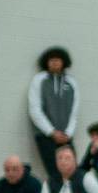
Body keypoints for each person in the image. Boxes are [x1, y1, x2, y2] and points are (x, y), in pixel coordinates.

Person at [28, 46, 79, 185]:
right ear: (46, 62)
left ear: (64, 62)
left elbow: (74, 111)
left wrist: (68, 133)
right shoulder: (39, 80)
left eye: (58, 60)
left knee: (73, 172)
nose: (55, 63)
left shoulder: (71, 82)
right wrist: (51, 132)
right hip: (45, 136)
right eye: (51, 60)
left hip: (66, 137)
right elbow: (35, 110)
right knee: (55, 173)